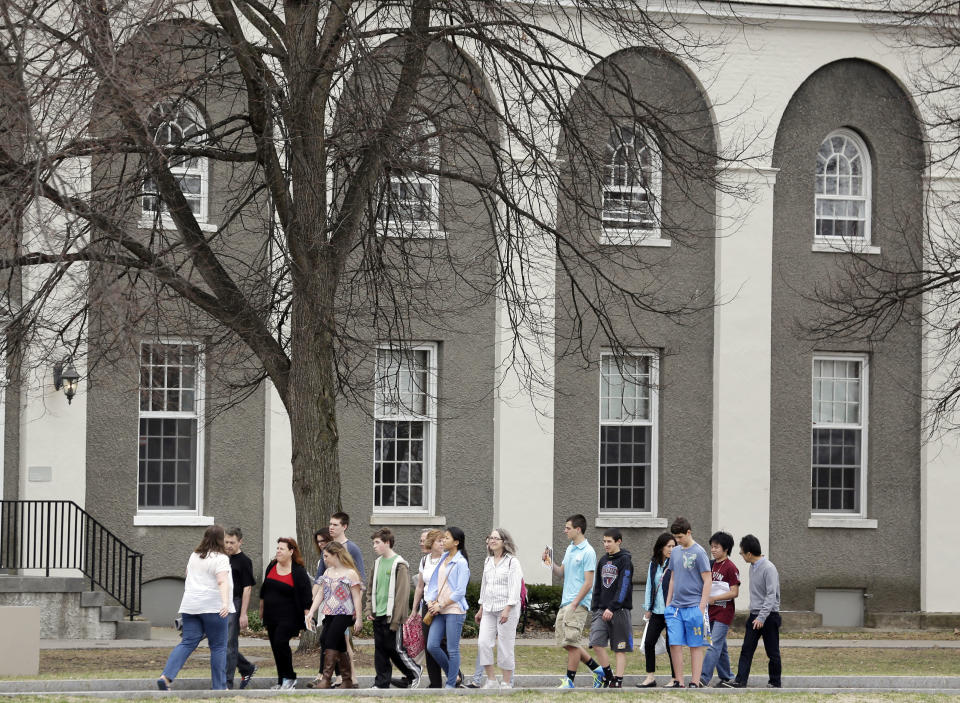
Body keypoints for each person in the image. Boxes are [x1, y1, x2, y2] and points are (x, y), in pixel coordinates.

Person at [157, 525, 234, 691]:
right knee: (218, 647)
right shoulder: (220, 558)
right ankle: (219, 687)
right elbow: (222, 581)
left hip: (190, 606)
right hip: (213, 607)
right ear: (221, 540)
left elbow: (188, 574)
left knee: (187, 643)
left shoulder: (194, 555)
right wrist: (225, 603)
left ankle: (166, 677)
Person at [541, 514, 604, 689]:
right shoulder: (570, 549)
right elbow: (561, 573)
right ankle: (597, 670)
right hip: (566, 602)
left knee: (572, 642)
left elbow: (589, 582)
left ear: (578, 529)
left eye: (568, 528)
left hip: (578, 603)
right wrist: (548, 563)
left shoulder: (588, 551)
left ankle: (569, 681)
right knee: (566, 642)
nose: (565, 531)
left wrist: (575, 603)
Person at [719, 535, 782, 689]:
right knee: (746, 649)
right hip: (755, 615)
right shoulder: (752, 567)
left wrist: (761, 617)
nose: (741, 555)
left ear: (749, 554)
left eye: (741, 553)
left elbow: (771, 595)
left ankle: (775, 682)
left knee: (772, 652)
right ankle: (740, 681)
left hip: (769, 616)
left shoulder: (768, 568)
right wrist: (755, 615)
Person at [365, 528, 422, 689]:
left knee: (394, 648)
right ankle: (381, 683)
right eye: (373, 543)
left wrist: (396, 620)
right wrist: (369, 610)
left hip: (393, 617)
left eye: (377, 542)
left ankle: (414, 671)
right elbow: (370, 589)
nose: (374, 546)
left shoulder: (400, 565)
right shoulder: (377, 563)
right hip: (378, 615)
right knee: (380, 650)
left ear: (387, 543)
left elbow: (402, 595)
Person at [304, 541, 364, 689]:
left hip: (344, 613)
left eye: (326, 556)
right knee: (337, 644)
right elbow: (320, 594)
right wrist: (311, 612)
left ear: (336, 555)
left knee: (329, 639)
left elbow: (356, 597)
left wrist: (359, 619)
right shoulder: (327, 572)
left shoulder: (350, 573)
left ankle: (326, 679)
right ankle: (347, 680)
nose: (324, 559)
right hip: (329, 612)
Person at [258, 537, 313, 690]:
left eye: (281, 549)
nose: (278, 551)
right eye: (277, 548)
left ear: (291, 551)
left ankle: (290, 677)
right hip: (271, 616)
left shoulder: (298, 571)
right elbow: (264, 590)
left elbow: (306, 596)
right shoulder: (272, 565)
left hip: (290, 617)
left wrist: (308, 617)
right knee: (276, 647)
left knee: (280, 642)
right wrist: (261, 610)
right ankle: (281, 680)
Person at [664, 517, 712, 689]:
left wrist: (701, 606)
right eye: (675, 537)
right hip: (675, 608)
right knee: (674, 644)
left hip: (693, 606)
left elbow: (708, 579)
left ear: (689, 532)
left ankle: (694, 681)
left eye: (680, 537)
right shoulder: (676, 552)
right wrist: (668, 604)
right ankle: (679, 680)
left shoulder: (699, 552)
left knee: (695, 644)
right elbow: (672, 578)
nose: (678, 541)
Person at [474, 527, 523, 689]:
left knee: (505, 645)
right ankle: (491, 680)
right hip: (488, 607)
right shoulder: (487, 561)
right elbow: (484, 586)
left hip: (507, 608)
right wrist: (481, 608)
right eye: (490, 538)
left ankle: (507, 682)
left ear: (504, 542)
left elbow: (515, 588)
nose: (492, 541)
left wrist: (508, 609)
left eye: (496, 538)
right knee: (483, 643)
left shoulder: (512, 562)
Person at [425, 526, 471, 689]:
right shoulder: (443, 558)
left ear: (456, 542)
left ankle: (451, 683)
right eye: (443, 538)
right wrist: (430, 601)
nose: (443, 541)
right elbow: (434, 584)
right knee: (432, 645)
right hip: (439, 609)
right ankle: (454, 674)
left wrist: (441, 605)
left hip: (454, 611)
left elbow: (460, 592)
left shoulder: (461, 563)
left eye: (447, 538)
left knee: (452, 649)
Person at [589, 528, 633, 689]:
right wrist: (596, 607)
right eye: (604, 541)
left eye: (609, 541)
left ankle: (618, 680)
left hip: (619, 611)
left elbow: (624, 586)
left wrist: (613, 607)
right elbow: (598, 586)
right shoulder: (602, 560)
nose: (606, 544)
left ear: (618, 541)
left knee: (619, 648)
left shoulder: (625, 560)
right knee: (596, 643)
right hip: (601, 610)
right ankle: (608, 676)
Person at [637, 533, 678, 688]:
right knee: (649, 643)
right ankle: (650, 677)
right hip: (656, 611)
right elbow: (649, 586)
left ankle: (675, 678)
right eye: (669, 546)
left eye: (674, 546)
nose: (672, 549)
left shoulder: (675, 563)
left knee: (671, 645)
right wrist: (648, 608)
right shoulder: (653, 563)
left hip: (672, 611)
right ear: (661, 547)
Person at [700, 531, 740, 687]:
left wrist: (714, 598)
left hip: (724, 613)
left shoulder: (731, 567)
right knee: (720, 646)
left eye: (717, 547)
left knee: (713, 644)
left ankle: (703, 678)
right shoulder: (710, 565)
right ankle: (726, 676)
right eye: (712, 546)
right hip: (710, 612)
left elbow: (734, 592)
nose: (713, 550)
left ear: (726, 549)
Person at [412, 529, 449, 688]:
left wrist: (440, 604)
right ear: (431, 543)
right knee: (428, 645)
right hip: (427, 606)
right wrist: (414, 610)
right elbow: (420, 587)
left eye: (443, 541)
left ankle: (455, 674)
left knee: (439, 644)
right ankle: (435, 682)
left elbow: (451, 586)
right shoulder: (424, 561)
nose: (442, 543)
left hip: (443, 607)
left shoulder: (448, 559)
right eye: (439, 541)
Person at [223, 527, 257, 690]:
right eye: (226, 542)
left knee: (229, 643)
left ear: (240, 542)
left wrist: (243, 613)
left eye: (232, 542)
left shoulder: (244, 561)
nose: (228, 545)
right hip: (220, 603)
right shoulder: (222, 558)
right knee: (220, 643)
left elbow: (247, 588)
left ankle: (227, 683)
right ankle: (246, 667)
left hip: (235, 604)